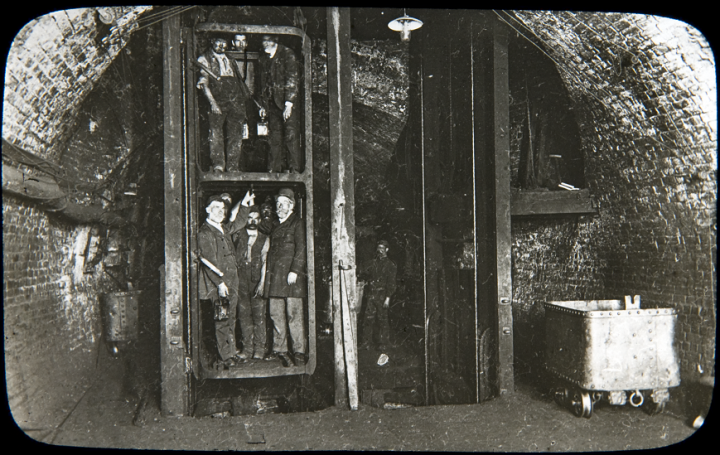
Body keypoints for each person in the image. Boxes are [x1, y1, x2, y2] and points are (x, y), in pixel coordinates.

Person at [197, 195, 242, 368]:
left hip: (232, 280)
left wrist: (243, 204)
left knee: (231, 317)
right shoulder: (205, 232)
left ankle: (231, 352)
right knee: (222, 319)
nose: (220, 211)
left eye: (223, 208)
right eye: (216, 207)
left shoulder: (222, 228)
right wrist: (220, 283)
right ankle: (225, 356)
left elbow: (238, 221)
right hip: (220, 284)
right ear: (208, 210)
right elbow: (209, 262)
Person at [264, 188, 307, 367]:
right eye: (278, 204)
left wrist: (295, 270)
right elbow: (256, 224)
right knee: (276, 315)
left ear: (292, 205)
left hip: (291, 277)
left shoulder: (297, 223)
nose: (280, 207)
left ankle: (298, 351)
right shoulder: (274, 224)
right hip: (275, 277)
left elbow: (302, 248)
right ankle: (279, 349)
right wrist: (246, 205)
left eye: (284, 203)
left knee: (293, 315)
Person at [197, 37, 250, 174]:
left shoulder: (230, 59)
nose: (221, 46)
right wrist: (213, 103)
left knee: (236, 134)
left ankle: (233, 167)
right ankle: (218, 166)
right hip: (218, 100)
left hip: (235, 101)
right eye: (218, 42)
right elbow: (204, 85)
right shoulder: (204, 59)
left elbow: (238, 82)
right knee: (216, 134)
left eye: (224, 43)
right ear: (212, 42)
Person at [232, 205, 271, 361]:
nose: (253, 221)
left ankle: (259, 349)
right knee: (244, 315)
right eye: (250, 217)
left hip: (256, 280)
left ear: (260, 220)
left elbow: (264, 262)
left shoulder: (264, 238)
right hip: (241, 280)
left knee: (259, 315)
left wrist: (262, 283)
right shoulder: (237, 236)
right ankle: (247, 349)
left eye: (256, 218)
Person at [258, 35, 301, 173]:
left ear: (274, 41)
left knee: (291, 135)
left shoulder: (287, 54)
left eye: (267, 41)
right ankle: (274, 169)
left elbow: (292, 79)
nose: (265, 44)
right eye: (263, 41)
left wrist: (289, 104)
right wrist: (263, 105)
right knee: (274, 137)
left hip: (286, 103)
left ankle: (293, 168)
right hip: (272, 104)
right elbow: (262, 83)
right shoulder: (264, 58)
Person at [359, 240, 397, 352]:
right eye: (378, 248)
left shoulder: (391, 265)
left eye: (382, 248)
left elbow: (392, 283)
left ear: (387, 250)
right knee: (368, 320)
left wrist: (388, 298)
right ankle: (366, 343)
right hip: (371, 295)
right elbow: (364, 270)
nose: (379, 250)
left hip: (382, 296)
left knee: (382, 321)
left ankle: (383, 344)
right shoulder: (373, 262)